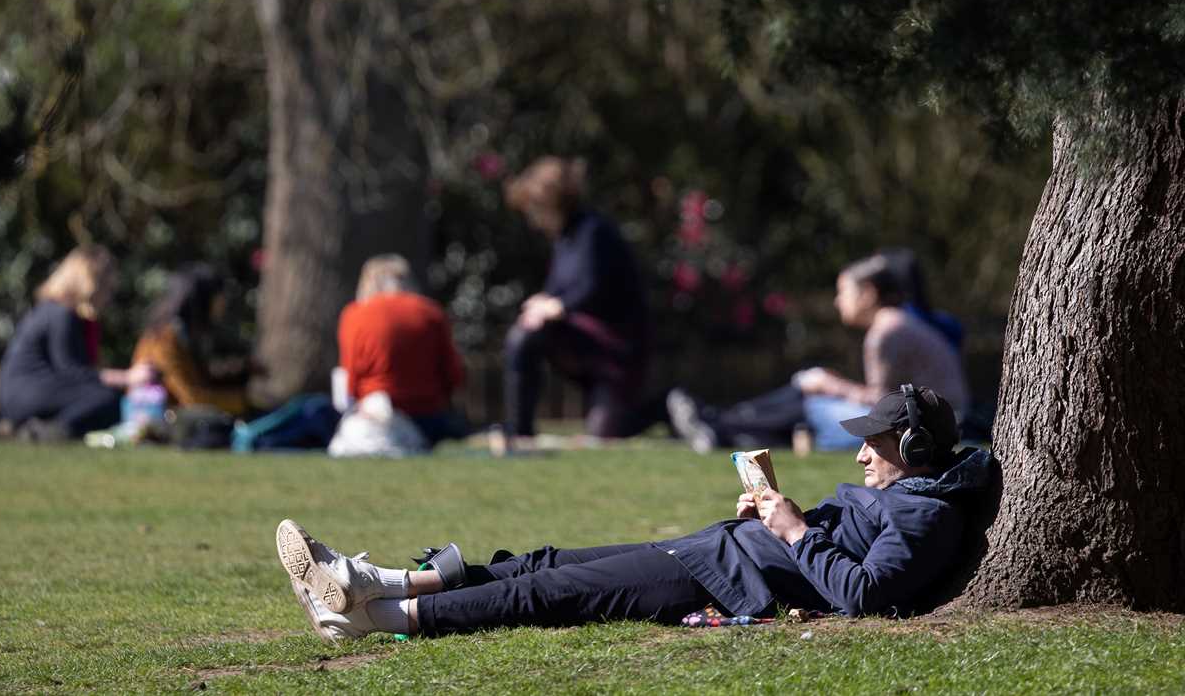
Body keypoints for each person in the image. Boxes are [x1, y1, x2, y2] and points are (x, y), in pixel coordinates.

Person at [274, 386, 993, 639]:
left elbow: (864, 594)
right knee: (546, 562)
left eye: (873, 443)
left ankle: (370, 616)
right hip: (724, 552)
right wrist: (772, 514)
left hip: (724, 579)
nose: (861, 457)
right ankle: (378, 580)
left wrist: (794, 529)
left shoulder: (925, 517)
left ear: (912, 444)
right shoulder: (907, 497)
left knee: (546, 593)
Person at [668, 252, 970, 453]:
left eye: (844, 292)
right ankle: (720, 425)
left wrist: (829, 384)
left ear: (867, 294)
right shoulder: (902, 323)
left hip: (924, 428)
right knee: (808, 394)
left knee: (811, 400)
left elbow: (883, 403)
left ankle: (718, 423)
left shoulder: (886, 333)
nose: (838, 302)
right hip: (940, 420)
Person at [502, 156, 651, 440]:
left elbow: (589, 289)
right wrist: (541, 302)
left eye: (533, 209)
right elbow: (559, 291)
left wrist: (555, 306)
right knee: (523, 335)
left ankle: (668, 405)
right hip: (586, 348)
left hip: (615, 353)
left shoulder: (593, 231)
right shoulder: (564, 240)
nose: (532, 220)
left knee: (607, 433)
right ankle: (520, 432)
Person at [0, 245, 154, 440]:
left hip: (22, 396)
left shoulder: (52, 310)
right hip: (27, 396)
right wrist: (127, 377)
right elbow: (72, 372)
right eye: (107, 287)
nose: (109, 296)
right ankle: (50, 431)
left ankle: (44, 428)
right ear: (90, 282)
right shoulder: (61, 314)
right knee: (107, 400)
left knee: (105, 398)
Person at [335, 254, 465, 448]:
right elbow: (453, 374)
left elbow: (349, 377)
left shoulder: (355, 314)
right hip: (427, 415)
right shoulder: (431, 312)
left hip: (376, 410)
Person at [130, 263, 250, 417]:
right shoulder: (164, 339)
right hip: (159, 420)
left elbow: (200, 382)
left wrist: (241, 371)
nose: (223, 304)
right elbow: (192, 398)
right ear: (203, 300)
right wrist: (244, 400)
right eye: (219, 297)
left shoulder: (184, 335)